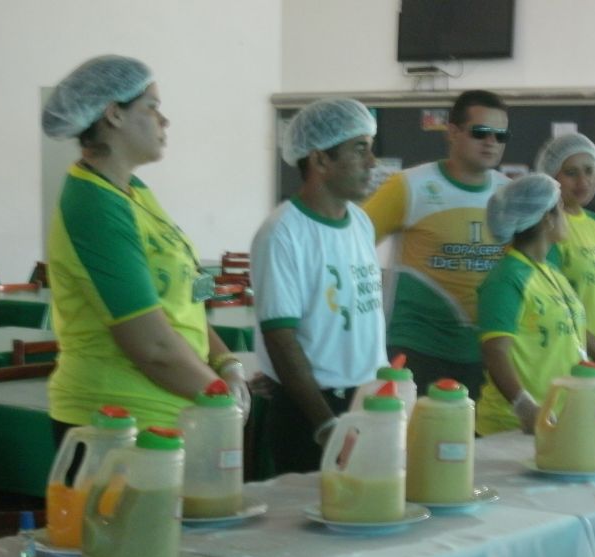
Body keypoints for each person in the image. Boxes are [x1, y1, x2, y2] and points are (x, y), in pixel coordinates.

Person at [41, 55, 250, 441]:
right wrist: (220, 396)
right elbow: (152, 346)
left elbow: (183, 302)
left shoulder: (135, 193)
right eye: (152, 107)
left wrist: (225, 361)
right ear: (114, 115)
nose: (164, 121)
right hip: (117, 422)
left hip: (173, 410)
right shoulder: (94, 206)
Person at [250, 98, 387, 474]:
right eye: (360, 149)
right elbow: (281, 338)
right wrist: (325, 425)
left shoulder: (360, 222)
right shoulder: (283, 233)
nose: (372, 162)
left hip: (367, 399)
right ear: (320, 160)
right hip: (313, 410)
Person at [363, 90, 510, 398]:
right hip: (417, 347)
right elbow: (351, 246)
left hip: (485, 351)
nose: (491, 142)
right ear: (452, 132)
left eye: (500, 135)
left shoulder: (510, 195)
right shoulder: (409, 186)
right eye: (481, 132)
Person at [476, 174, 588, 436]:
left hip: (557, 421)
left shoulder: (550, 271)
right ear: (547, 219)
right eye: (561, 208)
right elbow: (495, 351)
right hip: (511, 428)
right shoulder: (506, 278)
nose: (566, 216)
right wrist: (524, 407)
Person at [535, 133, 595, 372]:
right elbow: (555, 306)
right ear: (551, 176)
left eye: (589, 170)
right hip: (574, 361)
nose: (583, 181)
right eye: (571, 173)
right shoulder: (548, 230)